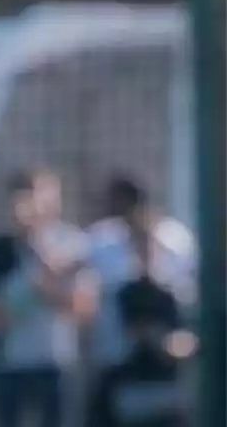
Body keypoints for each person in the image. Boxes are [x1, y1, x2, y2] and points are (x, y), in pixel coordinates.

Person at [0, 168, 96, 427]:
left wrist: (37, 247)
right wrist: (17, 307)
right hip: (9, 365)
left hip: (55, 363)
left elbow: (83, 308)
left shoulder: (72, 242)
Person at [86, 174, 197, 427]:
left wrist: (177, 344)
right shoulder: (128, 291)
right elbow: (136, 331)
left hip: (166, 385)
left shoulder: (171, 290)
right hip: (125, 379)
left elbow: (185, 337)